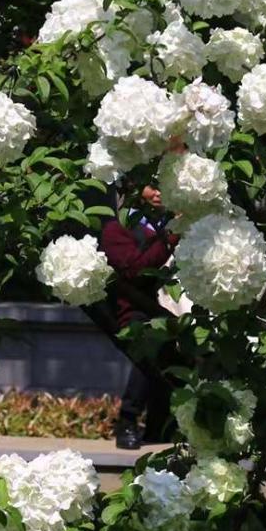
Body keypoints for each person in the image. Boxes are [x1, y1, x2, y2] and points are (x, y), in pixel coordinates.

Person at [100, 185, 176, 449]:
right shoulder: (117, 229)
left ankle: (159, 425)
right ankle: (128, 420)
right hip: (132, 311)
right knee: (150, 344)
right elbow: (136, 269)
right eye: (151, 186)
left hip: (164, 309)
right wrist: (169, 240)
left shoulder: (166, 223)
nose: (159, 193)